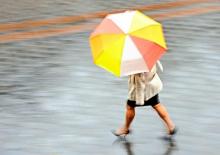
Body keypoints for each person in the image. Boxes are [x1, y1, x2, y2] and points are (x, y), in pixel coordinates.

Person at [112, 61, 177, 137]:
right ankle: (171, 126)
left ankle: (126, 128)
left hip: (141, 87)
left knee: (130, 106)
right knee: (156, 104)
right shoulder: (148, 53)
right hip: (151, 83)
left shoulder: (136, 59)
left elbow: (134, 71)